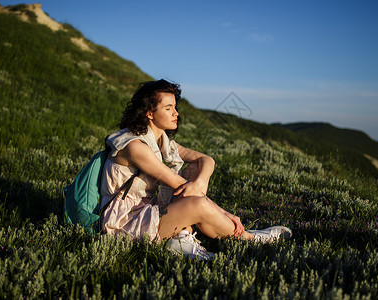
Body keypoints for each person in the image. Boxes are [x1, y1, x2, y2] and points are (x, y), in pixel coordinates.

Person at [100, 79, 292, 259]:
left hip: (144, 209)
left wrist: (200, 181)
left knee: (195, 170)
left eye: (175, 107)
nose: (176, 113)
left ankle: (181, 238)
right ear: (149, 113)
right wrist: (227, 214)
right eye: (168, 108)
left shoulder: (160, 141)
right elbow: (181, 186)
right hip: (125, 222)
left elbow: (206, 160)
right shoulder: (135, 147)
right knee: (197, 204)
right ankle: (250, 239)